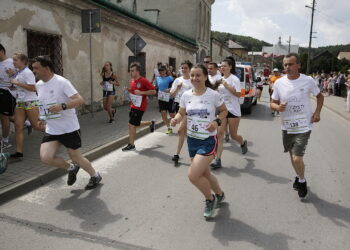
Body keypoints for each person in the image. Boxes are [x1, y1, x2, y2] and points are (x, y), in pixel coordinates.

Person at [32, 56, 102, 190]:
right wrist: (41, 118)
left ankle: (95, 175)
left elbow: (79, 100)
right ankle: (71, 168)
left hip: (69, 128)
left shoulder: (62, 82)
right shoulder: (39, 85)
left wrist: (62, 106)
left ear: (46, 68)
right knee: (46, 157)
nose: (33, 70)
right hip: (52, 129)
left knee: (76, 157)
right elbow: (42, 103)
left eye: (36, 68)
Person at [170, 64, 227, 219]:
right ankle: (220, 194)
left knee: (193, 175)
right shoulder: (186, 95)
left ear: (205, 77)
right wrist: (175, 119)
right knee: (205, 173)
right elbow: (181, 112)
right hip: (192, 140)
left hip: (208, 140)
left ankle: (210, 199)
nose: (195, 78)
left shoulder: (213, 95)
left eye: (198, 75)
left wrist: (216, 122)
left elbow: (224, 111)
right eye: (193, 75)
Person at [270, 53, 324, 199]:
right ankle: (298, 176)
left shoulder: (308, 80)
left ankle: (302, 181)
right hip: (287, 126)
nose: (287, 67)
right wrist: (278, 107)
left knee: (297, 158)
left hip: (304, 125)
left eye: (291, 64)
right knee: (292, 155)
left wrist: (317, 113)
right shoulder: (279, 83)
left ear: (298, 65)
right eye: (285, 65)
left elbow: (319, 96)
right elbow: (272, 102)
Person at [210, 59, 248, 169]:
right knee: (219, 134)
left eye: (225, 66)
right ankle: (218, 160)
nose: (222, 68)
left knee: (233, 135)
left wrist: (226, 86)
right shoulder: (220, 79)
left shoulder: (234, 79)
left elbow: (238, 94)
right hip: (223, 110)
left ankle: (242, 142)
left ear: (230, 67)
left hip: (233, 110)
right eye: (221, 66)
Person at [9, 53, 40, 160]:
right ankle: (19, 153)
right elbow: (19, 86)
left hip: (30, 101)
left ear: (23, 61)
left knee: (36, 126)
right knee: (18, 127)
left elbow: (33, 88)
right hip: (20, 102)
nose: (13, 62)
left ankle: (58, 135)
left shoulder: (28, 72)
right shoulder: (19, 72)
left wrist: (17, 83)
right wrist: (14, 86)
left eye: (15, 60)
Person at [122, 62, 156, 151]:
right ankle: (151, 123)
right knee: (134, 124)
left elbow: (153, 91)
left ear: (137, 71)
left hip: (140, 106)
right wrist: (128, 90)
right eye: (130, 71)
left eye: (132, 71)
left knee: (131, 125)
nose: (131, 73)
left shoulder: (143, 80)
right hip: (133, 105)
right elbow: (134, 91)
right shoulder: (132, 81)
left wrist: (142, 92)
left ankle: (131, 144)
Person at [169, 60, 193, 163]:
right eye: (182, 68)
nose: (183, 70)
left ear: (190, 69)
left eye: (185, 68)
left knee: (180, 131)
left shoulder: (193, 80)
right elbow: (172, 95)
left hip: (189, 108)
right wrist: (178, 88)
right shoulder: (177, 80)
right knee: (185, 132)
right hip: (178, 106)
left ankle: (177, 154)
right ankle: (196, 151)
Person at [0, 43, 16, 149]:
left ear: (1, 51)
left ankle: (5, 141)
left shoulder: (11, 63)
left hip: (7, 93)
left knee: (4, 117)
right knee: (7, 117)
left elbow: (22, 78)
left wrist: (13, 80)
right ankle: (27, 122)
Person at [155, 65, 175, 135]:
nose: (161, 72)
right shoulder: (157, 79)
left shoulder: (170, 78)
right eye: (160, 71)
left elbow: (174, 87)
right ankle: (169, 128)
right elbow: (156, 87)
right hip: (161, 99)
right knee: (163, 114)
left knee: (172, 115)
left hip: (169, 98)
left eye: (162, 71)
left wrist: (169, 89)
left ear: (165, 71)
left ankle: (182, 123)